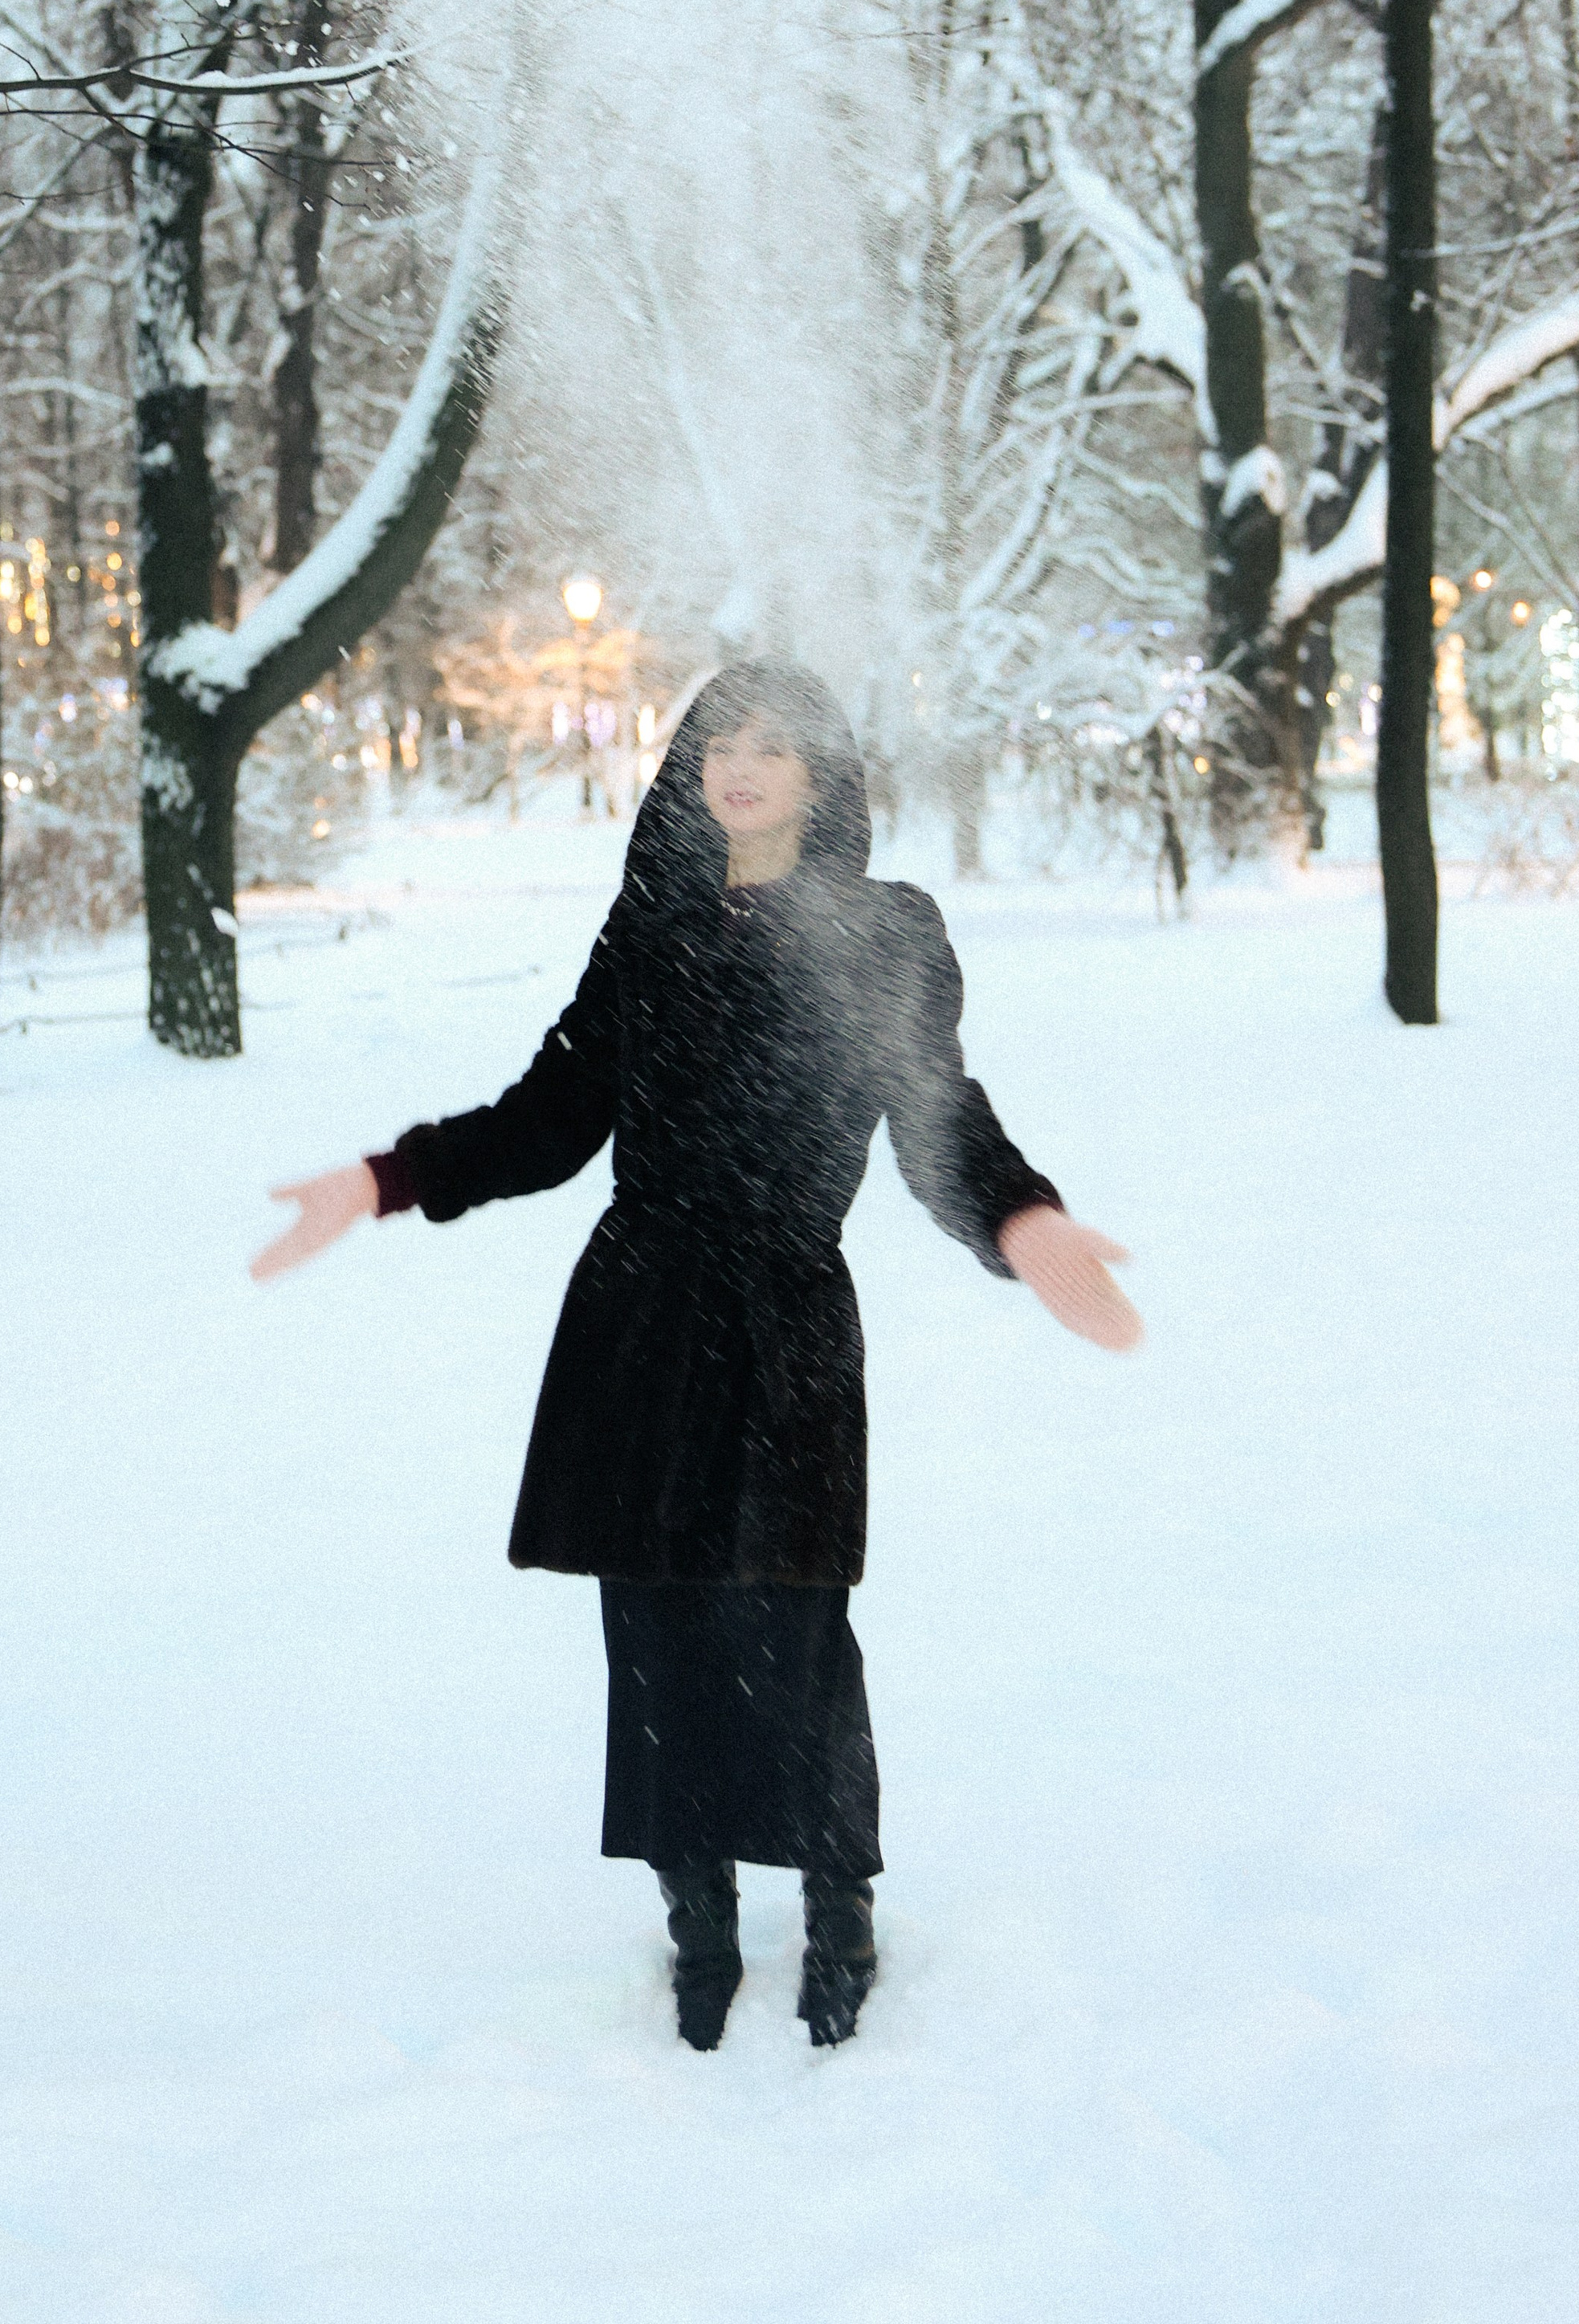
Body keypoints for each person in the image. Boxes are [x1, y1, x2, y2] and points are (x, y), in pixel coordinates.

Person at [253, 660, 1140, 2052]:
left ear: (822, 778)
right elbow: (550, 1118)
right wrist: (388, 1177)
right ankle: (701, 1918)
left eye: (776, 745)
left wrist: (1024, 1223)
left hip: (785, 1321)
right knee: (654, 1629)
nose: (741, 763)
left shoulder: (883, 935)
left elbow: (939, 1121)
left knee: (794, 1628)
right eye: (721, 738)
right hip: (640, 1317)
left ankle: (839, 1904)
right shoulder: (650, 930)